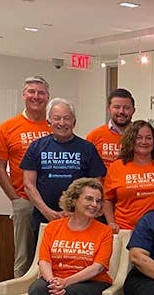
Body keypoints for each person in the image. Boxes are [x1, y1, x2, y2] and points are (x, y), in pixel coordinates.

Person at [21, 98, 107, 241]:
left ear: (74, 122)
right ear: (49, 121)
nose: (62, 123)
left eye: (67, 118)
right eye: (57, 118)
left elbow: (96, 185)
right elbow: (28, 185)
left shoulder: (87, 149)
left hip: (80, 219)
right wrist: (47, 211)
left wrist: (75, 212)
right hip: (44, 218)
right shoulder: (36, 147)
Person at [0, 76, 52, 277]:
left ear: (47, 97)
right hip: (25, 201)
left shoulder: (55, 125)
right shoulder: (8, 127)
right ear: (23, 95)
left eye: (41, 93)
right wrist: (15, 199)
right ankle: (20, 294)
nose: (36, 96)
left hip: (53, 204)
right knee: (24, 257)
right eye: (31, 92)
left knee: (52, 255)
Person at [103, 120, 154, 232]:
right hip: (125, 230)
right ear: (130, 140)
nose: (144, 142)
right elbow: (107, 199)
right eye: (138, 138)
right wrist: (111, 223)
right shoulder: (116, 167)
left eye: (148, 138)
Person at [87, 88, 135, 167]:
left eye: (126, 108)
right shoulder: (94, 136)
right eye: (117, 107)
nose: (121, 111)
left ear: (133, 110)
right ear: (108, 109)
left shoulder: (142, 138)